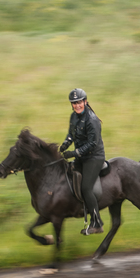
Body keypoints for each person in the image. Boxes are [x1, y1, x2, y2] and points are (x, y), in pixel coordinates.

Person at [60, 88, 106, 235]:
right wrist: (65, 144)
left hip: (94, 157)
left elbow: (93, 143)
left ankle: (97, 223)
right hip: (82, 156)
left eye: (79, 102)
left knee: (86, 187)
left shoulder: (92, 120)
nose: (77, 105)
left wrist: (74, 153)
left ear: (85, 102)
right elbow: (71, 133)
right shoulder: (74, 116)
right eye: (74, 103)